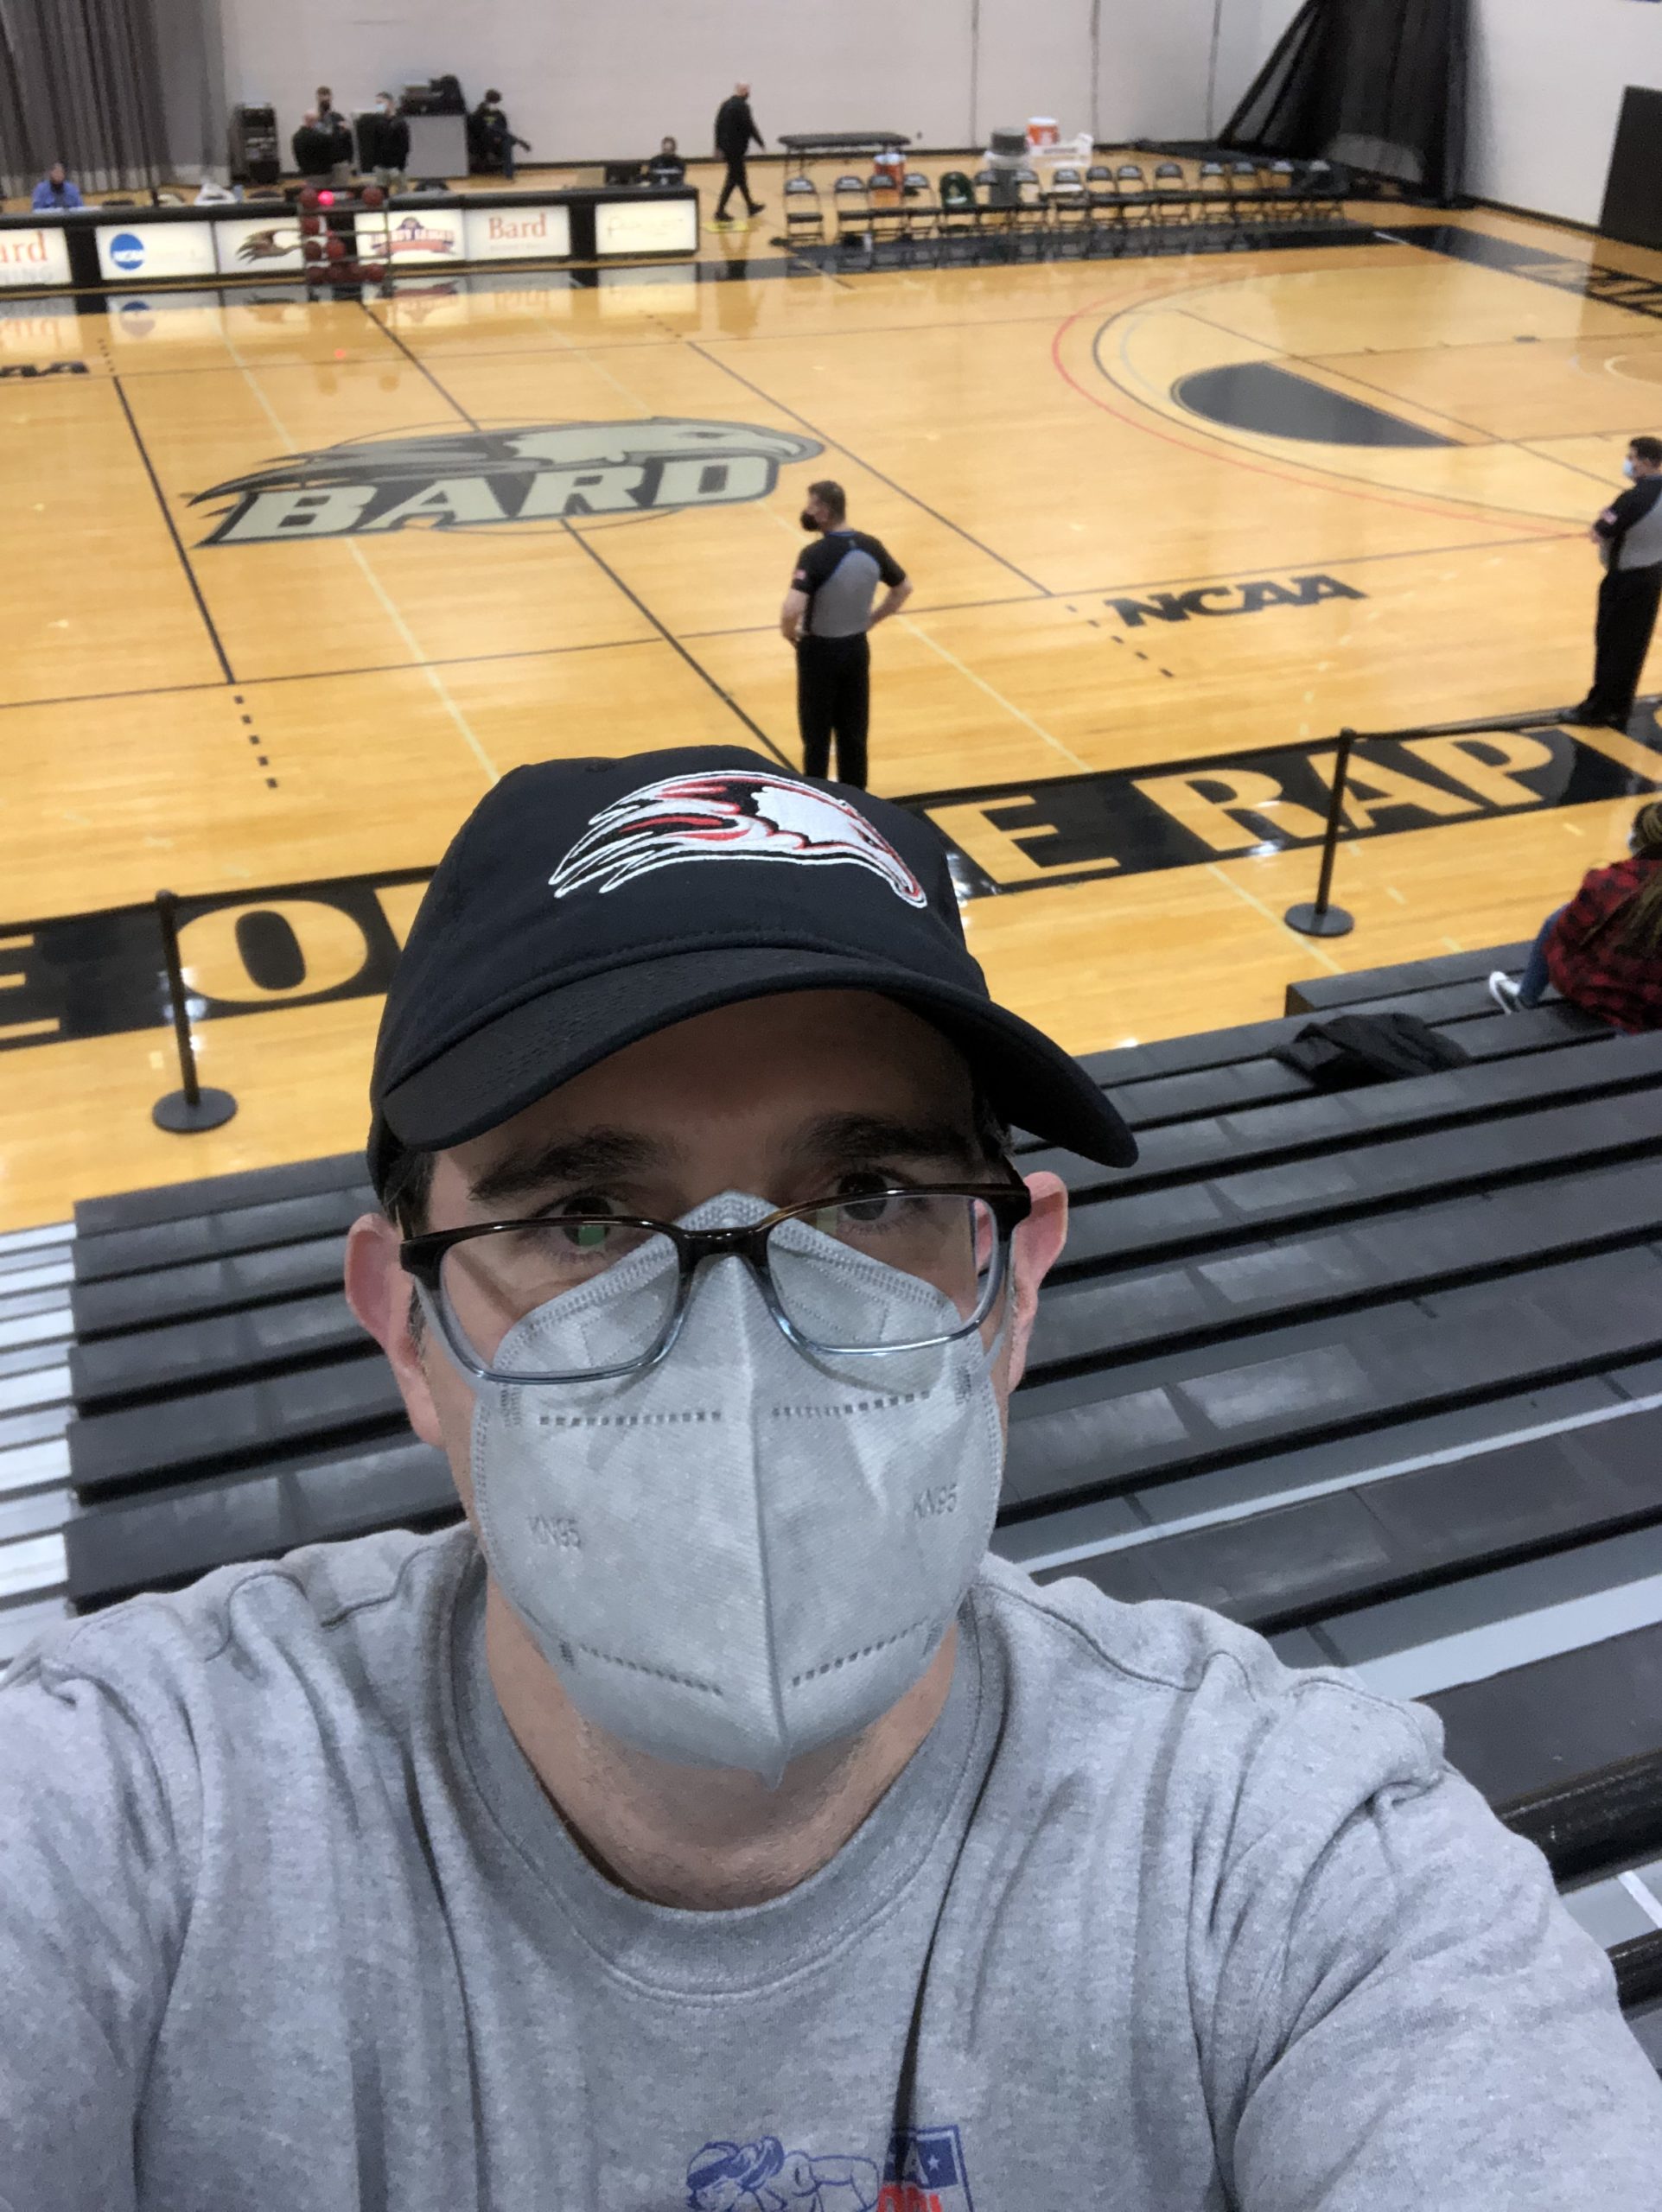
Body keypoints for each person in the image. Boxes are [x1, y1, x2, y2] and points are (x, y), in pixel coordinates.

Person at [3, 740, 1660, 2206]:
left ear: (1011, 1288)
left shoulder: (1297, 1863)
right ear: (406, 1326)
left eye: (865, 1195)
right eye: (583, 1218)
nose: (735, 1336)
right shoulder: (122, 1817)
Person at [780, 480, 911, 789]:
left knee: (816, 735)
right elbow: (903, 589)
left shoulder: (814, 554)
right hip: (856, 648)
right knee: (854, 732)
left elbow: (791, 609)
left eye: (811, 504)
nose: (806, 511)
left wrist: (790, 634)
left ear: (823, 512)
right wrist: (872, 620)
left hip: (818, 652)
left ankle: (817, 797)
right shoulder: (871, 546)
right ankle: (858, 801)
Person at [1489, 797, 1662, 1029]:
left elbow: (1566, 935)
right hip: (1653, 1013)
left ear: (1641, 840)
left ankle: (1524, 998)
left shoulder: (1610, 882)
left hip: (1596, 996)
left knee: (1560, 918)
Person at [1565, 435, 1662, 732]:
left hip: (1626, 580)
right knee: (1634, 645)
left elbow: (1598, 532)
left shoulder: (1632, 498)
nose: (1629, 463)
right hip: (1653, 576)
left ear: (1646, 463)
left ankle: (1599, 707)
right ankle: (1620, 703)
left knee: (1611, 642)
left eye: (1632, 458)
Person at [713, 79, 765, 221]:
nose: (749, 93)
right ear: (744, 92)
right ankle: (719, 211)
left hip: (727, 148)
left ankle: (750, 206)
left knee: (741, 178)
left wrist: (717, 146)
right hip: (736, 149)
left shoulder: (725, 105)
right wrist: (760, 141)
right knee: (732, 180)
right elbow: (750, 126)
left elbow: (717, 126)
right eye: (747, 90)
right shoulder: (743, 107)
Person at [473, 89, 529, 181]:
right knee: (491, 128)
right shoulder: (479, 113)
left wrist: (499, 137)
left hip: (498, 142)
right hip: (484, 141)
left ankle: (509, 174)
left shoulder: (500, 114)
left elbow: (504, 129)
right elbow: (475, 129)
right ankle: (518, 140)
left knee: (506, 142)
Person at [364, 91, 410, 191]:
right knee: (382, 193)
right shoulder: (378, 122)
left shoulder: (400, 122)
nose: (379, 106)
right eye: (377, 104)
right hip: (381, 166)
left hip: (396, 167)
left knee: (402, 192)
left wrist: (399, 166)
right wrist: (376, 164)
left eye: (380, 103)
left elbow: (405, 146)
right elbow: (374, 144)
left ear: (390, 103)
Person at [315, 86, 353, 187]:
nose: (324, 102)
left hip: (340, 161)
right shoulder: (314, 119)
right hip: (322, 164)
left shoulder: (338, 117)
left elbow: (348, 139)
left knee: (341, 190)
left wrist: (350, 160)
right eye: (322, 99)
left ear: (331, 98)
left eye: (327, 99)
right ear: (317, 99)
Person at [290, 111, 338, 188]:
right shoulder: (318, 137)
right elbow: (330, 149)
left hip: (306, 172)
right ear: (315, 121)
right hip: (321, 173)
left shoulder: (297, 136)